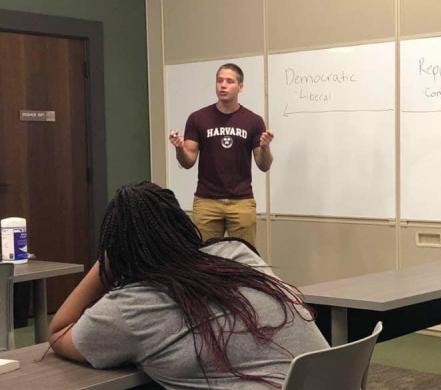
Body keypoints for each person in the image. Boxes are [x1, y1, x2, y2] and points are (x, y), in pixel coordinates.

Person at [48, 181, 329, 389]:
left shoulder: (131, 307)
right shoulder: (237, 254)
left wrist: (105, 263)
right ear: (182, 224)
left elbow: (59, 331)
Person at [169, 63, 273, 247]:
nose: (222, 85)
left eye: (229, 81)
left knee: (244, 261)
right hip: (207, 201)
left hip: (241, 202)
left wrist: (265, 148)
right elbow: (188, 161)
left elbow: (263, 165)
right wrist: (179, 148)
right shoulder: (198, 118)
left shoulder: (253, 121)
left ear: (240, 87)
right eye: (219, 81)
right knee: (205, 260)